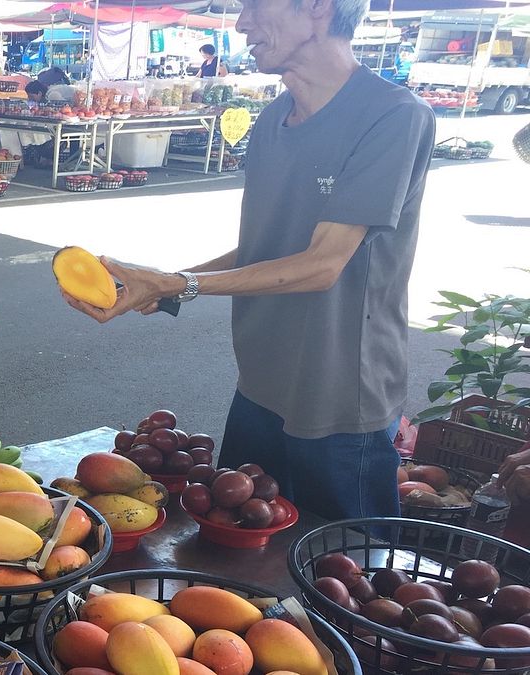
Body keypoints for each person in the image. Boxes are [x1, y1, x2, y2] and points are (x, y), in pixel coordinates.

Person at [62, 0, 436, 522]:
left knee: (342, 568)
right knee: (239, 543)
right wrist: (164, 285)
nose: (241, 24)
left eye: (257, 6)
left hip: (337, 390)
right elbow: (266, 247)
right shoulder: (271, 120)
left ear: (317, 8)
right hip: (260, 379)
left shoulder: (393, 116)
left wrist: (177, 283)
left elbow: (322, 264)